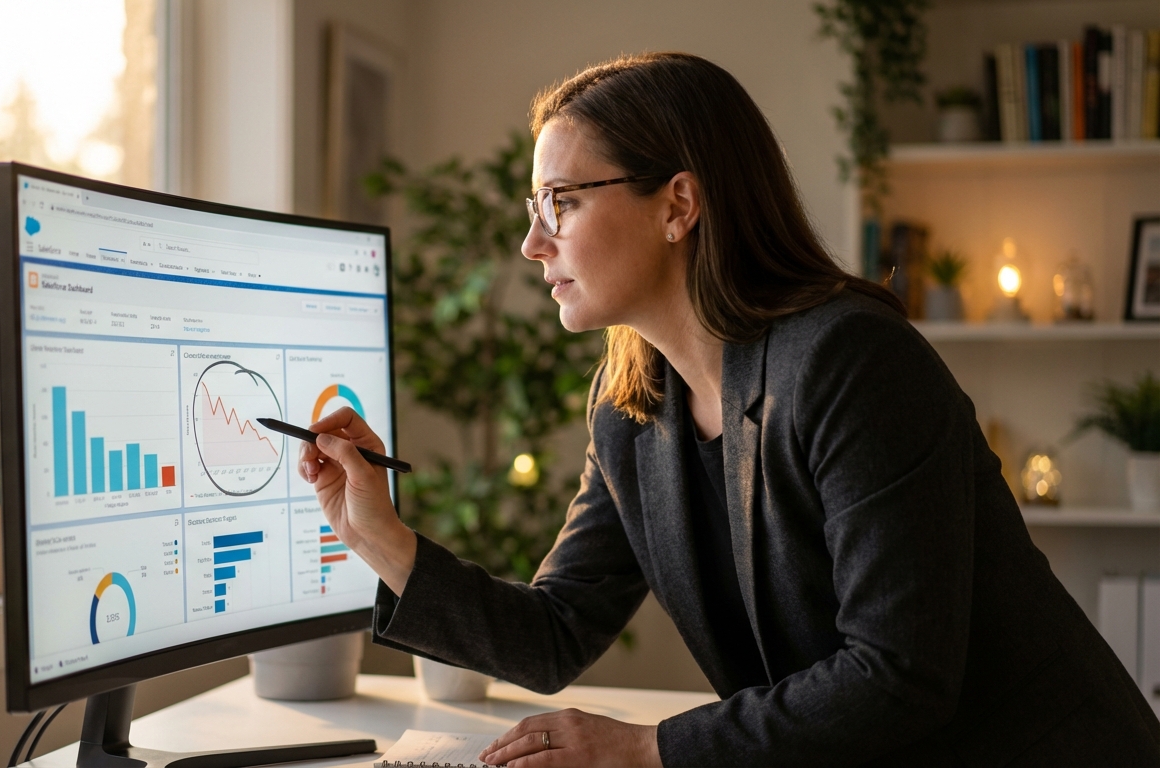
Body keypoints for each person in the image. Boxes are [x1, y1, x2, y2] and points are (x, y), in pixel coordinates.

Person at [298, 52, 1160, 767]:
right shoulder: (630, 404)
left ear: (679, 203)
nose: (533, 242)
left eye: (561, 202)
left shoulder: (852, 362)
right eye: (535, 209)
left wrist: (647, 750)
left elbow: (898, 675)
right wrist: (377, 532)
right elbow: (554, 635)